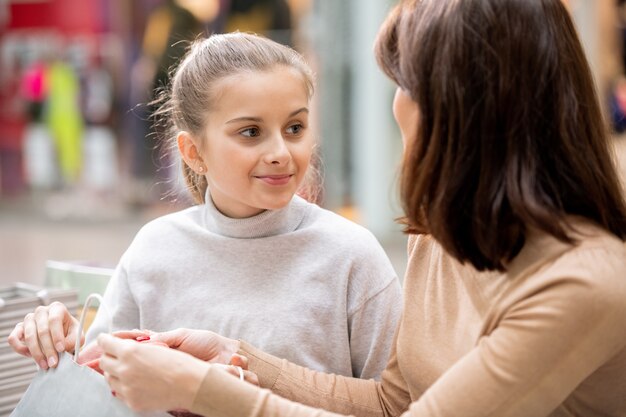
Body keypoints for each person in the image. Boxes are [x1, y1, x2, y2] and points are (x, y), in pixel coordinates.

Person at [93, 0, 626, 415]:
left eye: (407, 83)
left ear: (466, 107)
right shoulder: (442, 232)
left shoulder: (584, 283)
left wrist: (203, 390)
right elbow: (391, 404)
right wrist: (235, 357)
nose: (395, 103)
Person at [8, 33, 402, 384]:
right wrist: (62, 342)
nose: (281, 152)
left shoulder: (352, 255)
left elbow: (397, 404)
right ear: (194, 152)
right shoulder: (154, 248)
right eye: (251, 132)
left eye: (294, 128)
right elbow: (100, 383)